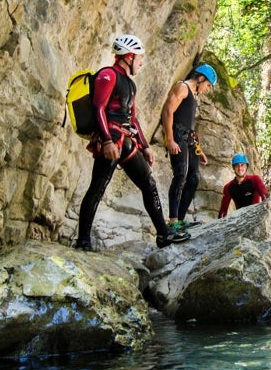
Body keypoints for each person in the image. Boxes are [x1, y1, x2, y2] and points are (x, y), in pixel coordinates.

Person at [74, 34, 191, 250]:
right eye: (139, 57)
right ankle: (82, 241)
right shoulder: (108, 75)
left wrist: (145, 146)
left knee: (149, 184)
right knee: (97, 189)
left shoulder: (130, 84)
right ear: (128, 56)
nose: (141, 62)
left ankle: (164, 235)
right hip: (110, 143)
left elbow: (133, 119)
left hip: (125, 142)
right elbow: (98, 108)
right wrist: (107, 141)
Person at [160, 63, 217, 234]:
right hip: (177, 137)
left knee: (193, 178)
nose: (207, 89)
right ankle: (173, 221)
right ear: (200, 78)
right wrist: (169, 139)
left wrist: (199, 150)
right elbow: (168, 111)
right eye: (208, 85)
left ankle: (182, 219)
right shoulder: (182, 87)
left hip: (189, 140)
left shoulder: (192, 94)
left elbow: (189, 125)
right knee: (181, 174)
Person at [217, 153, 269, 218]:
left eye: (242, 165)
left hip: (255, 216)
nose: (240, 168)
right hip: (241, 219)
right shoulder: (229, 187)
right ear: (233, 168)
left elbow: (265, 197)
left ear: (246, 167)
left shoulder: (255, 180)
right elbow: (223, 210)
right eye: (237, 166)